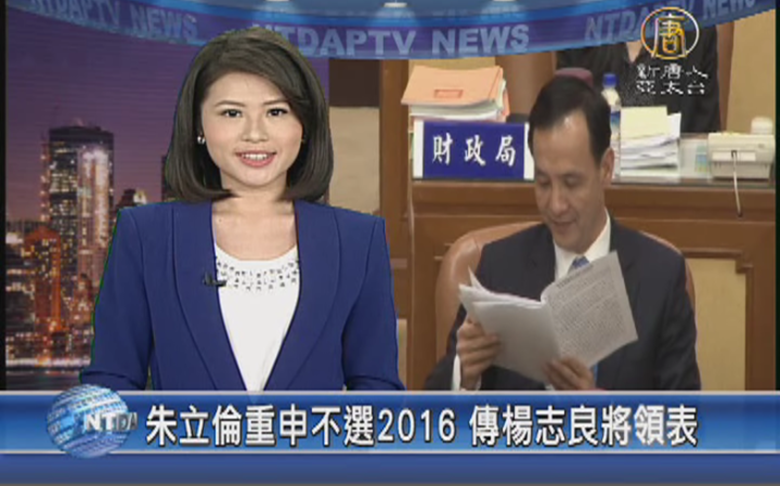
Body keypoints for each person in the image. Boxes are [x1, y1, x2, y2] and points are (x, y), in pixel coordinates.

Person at [81, 27, 404, 392]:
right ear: (199, 125)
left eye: (276, 112)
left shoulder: (359, 242)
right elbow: (111, 386)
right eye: (232, 113)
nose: (255, 133)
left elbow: (377, 393)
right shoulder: (145, 236)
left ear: (305, 125)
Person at [425, 75, 700, 391]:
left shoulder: (660, 277)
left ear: (606, 168)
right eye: (543, 183)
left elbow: (687, 415)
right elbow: (432, 405)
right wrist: (464, 374)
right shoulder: (498, 267)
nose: (556, 205)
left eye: (571, 183)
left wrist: (606, 413)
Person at [556, 27, 721, 134]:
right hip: (597, 173)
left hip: (671, 174)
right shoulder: (579, 27)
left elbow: (703, 136)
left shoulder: (696, 31)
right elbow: (564, 129)